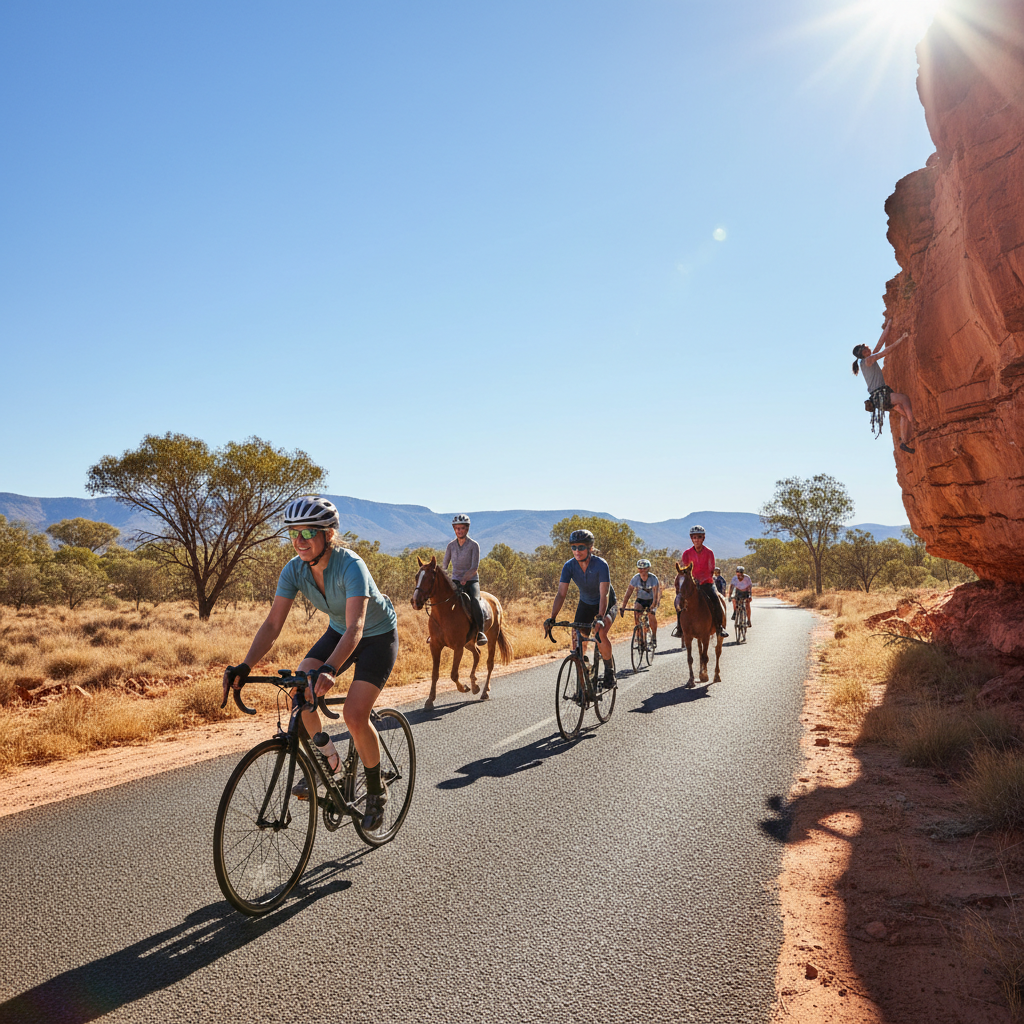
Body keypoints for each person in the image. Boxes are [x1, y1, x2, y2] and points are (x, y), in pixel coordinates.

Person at [222, 497, 399, 830]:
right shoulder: (294, 570)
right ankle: (329, 760)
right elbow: (273, 624)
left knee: (353, 714)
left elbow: (357, 627)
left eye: (307, 532)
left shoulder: (350, 565)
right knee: (299, 692)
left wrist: (330, 669)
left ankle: (376, 791)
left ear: (328, 535)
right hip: (338, 631)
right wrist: (245, 666)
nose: (299, 541)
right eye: (293, 534)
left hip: (376, 637)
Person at [544, 529, 618, 689]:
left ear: (590, 548)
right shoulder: (569, 566)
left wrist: (600, 617)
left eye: (581, 547)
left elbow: (604, 594)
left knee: (600, 633)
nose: (577, 551)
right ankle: (585, 678)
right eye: (574, 547)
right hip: (586, 603)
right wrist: (552, 618)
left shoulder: (600, 564)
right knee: (577, 639)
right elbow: (561, 594)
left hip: (606, 603)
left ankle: (609, 672)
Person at [853, 318, 916, 454]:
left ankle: (904, 442)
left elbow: (880, 343)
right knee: (904, 399)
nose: (868, 349)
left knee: (902, 413)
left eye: (866, 348)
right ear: (863, 354)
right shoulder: (868, 360)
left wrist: (888, 325)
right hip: (881, 395)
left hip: (878, 399)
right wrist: (902, 339)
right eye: (865, 350)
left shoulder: (868, 359)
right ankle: (916, 425)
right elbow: (885, 352)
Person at [442, 513, 487, 646]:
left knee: (474, 601)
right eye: (457, 528)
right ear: (454, 529)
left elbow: (474, 568)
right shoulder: (450, 546)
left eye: (462, 528)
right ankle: (439, 632)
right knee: (443, 602)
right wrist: (444, 578)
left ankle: (480, 632)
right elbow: (444, 566)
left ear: (467, 529)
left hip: (471, 580)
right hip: (455, 581)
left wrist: (465, 578)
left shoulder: (474, 545)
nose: (459, 531)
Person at [678, 525, 728, 639]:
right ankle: (680, 628)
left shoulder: (709, 552)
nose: (697, 540)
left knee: (716, 599)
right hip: (692, 585)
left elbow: (711, 569)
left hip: (707, 583)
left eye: (699, 537)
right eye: (694, 537)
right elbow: (684, 570)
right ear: (691, 538)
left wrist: (701, 580)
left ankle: (719, 627)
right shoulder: (686, 553)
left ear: (703, 538)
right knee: (679, 601)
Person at [621, 559, 660, 648]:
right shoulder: (635, 578)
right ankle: (639, 638)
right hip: (641, 599)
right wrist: (623, 606)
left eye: (644, 569)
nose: (642, 571)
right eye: (640, 569)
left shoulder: (653, 578)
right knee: (637, 613)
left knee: (651, 616)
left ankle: (653, 637)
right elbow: (629, 592)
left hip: (651, 599)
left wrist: (653, 605)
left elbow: (656, 594)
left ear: (648, 569)